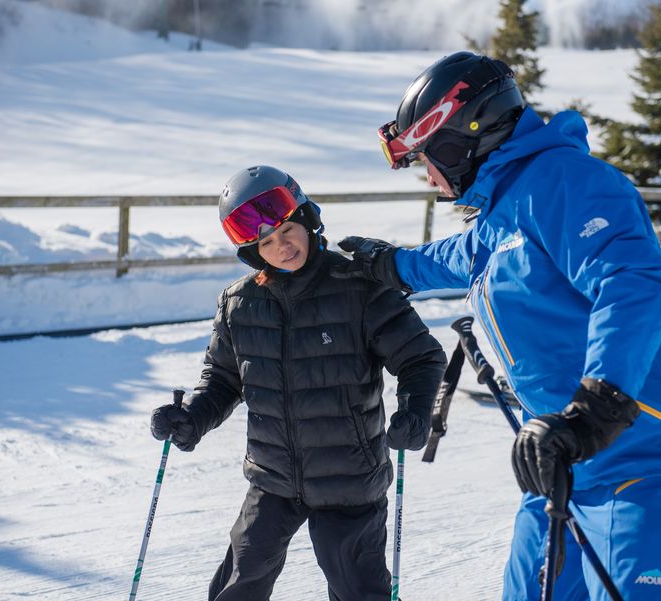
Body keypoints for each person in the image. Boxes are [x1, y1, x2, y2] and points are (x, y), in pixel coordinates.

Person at [333, 52, 661, 600]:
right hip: (559, 452)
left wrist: (598, 407)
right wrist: (389, 265)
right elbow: (462, 257)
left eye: (429, 156)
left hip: (640, 454)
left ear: (463, 137)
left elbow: (633, 282)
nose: (430, 174)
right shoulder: (502, 210)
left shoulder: (566, 182)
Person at [150, 165, 446, 601]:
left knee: (359, 591)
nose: (281, 246)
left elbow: (421, 358)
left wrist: (416, 411)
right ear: (253, 252)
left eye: (287, 230)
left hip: (349, 476)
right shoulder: (239, 304)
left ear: (307, 221)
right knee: (239, 584)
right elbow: (223, 380)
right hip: (273, 477)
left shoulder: (358, 287)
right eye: (265, 242)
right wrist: (191, 419)